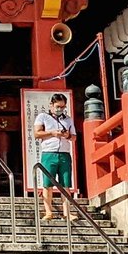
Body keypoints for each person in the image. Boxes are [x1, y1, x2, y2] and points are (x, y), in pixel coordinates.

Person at [31, 91, 77, 220]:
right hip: (49, 153)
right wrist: (52, 133)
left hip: (64, 153)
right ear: (51, 105)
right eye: (58, 106)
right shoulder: (43, 117)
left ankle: (67, 212)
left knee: (65, 184)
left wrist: (66, 135)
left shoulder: (68, 119)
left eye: (62, 107)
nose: (60, 109)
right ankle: (48, 211)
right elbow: (37, 134)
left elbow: (74, 137)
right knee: (48, 183)